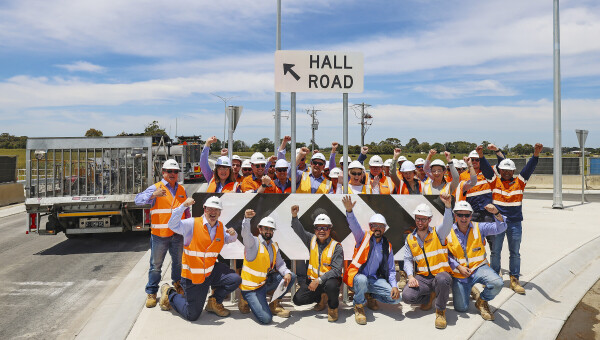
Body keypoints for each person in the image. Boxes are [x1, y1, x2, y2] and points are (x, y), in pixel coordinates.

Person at [159, 196, 241, 321]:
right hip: (193, 277)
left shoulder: (220, 227)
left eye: (216, 210)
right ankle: (170, 293)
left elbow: (230, 239)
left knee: (235, 279)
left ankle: (213, 302)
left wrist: (234, 234)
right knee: (192, 315)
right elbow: (172, 225)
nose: (213, 212)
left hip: (210, 271)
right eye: (210, 209)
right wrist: (183, 206)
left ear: (220, 213)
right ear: (204, 209)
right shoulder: (192, 223)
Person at [488, 143, 543, 294]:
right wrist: (480, 156)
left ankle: (514, 279)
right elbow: (486, 168)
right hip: (497, 223)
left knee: (515, 252)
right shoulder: (495, 182)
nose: (506, 173)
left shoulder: (519, 182)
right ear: (500, 170)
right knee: (495, 252)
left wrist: (536, 154)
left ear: (513, 171)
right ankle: (493, 278)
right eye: (503, 170)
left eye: (509, 170)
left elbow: (529, 168)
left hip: (515, 223)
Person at [135, 159, 188, 308]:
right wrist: (152, 195)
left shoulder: (181, 190)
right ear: (163, 172)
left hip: (177, 235)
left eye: (175, 171)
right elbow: (137, 200)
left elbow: (186, 212)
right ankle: (151, 292)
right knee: (156, 266)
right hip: (160, 235)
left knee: (178, 264)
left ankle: (178, 285)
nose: (172, 174)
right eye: (169, 171)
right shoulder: (156, 188)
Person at [342, 196, 401, 325]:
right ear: (370, 227)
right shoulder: (362, 238)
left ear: (384, 229)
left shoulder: (388, 246)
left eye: (381, 226)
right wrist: (349, 211)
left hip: (374, 280)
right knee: (362, 280)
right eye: (375, 226)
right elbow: (354, 226)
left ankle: (370, 295)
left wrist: (395, 286)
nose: (377, 228)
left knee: (396, 299)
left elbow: (391, 270)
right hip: (357, 278)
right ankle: (358, 305)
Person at [447, 201, 507, 321]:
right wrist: (459, 267)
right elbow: (445, 255)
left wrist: (497, 213)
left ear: (471, 215)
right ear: (455, 215)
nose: (464, 218)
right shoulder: (447, 231)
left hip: (479, 268)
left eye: (467, 215)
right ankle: (470, 288)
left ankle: (482, 301)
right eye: (460, 215)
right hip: (460, 274)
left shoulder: (479, 227)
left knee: (497, 283)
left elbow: (501, 227)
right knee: (462, 308)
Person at [402, 193, 454, 329]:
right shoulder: (410, 239)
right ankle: (429, 297)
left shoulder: (438, 233)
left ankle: (440, 311)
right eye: (418, 219)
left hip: (440, 275)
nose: (420, 222)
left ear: (429, 220)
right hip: (423, 278)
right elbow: (407, 259)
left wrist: (448, 207)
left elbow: (448, 223)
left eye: (423, 219)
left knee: (443, 280)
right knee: (407, 296)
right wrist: (410, 276)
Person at [237, 211, 296, 324]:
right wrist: (246, 219)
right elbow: (245, 234)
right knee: (266, 319)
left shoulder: (274, 246)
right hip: (250, 288)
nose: (268, 232)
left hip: (263, 284)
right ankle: (245, 299)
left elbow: (280, 264)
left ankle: (274, 303)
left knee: (291, 276)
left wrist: (287, 272)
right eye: (266, 229)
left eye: (271, 229)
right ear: (260, 229)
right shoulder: (253, 242)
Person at [290, 206, 344, 322]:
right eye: (319, 228)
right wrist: (294, 217)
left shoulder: (337, 247)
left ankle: (333, 307)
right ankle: (321, 297)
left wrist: (318, 280)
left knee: (332, 286)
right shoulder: (311, 239)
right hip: (313, 281)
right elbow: (299, 230)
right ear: (315, 230)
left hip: (328, 281)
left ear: (330, 229)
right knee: (297, 300)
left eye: (325, 228)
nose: (322, 230)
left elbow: (336, 270)